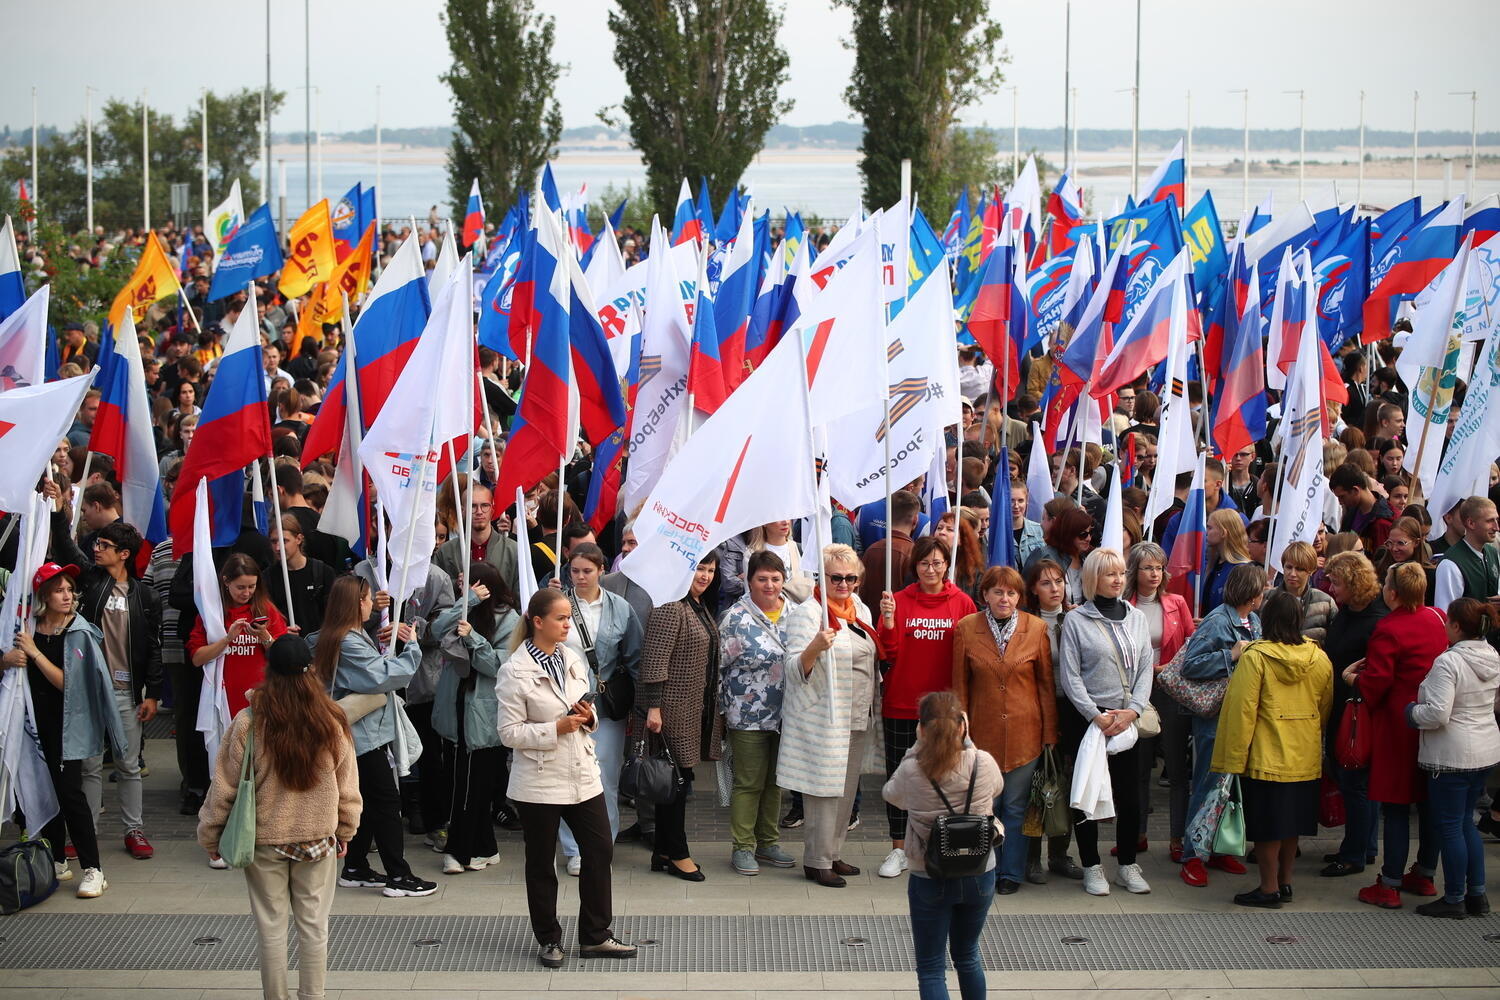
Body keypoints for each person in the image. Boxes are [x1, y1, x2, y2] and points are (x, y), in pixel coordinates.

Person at [197, 636, 361, 1000]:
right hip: (317, 839)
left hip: (265, 840)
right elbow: (347, 786)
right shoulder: (331, 719)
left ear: (268, 670)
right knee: (314, 926)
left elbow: (223, 786)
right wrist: (345, 829)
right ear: (311, 671)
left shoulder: (249, 721)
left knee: (271, 927)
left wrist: (211, 834)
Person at [498, 589, 636, 966]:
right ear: (537, 622)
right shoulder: (514, 670)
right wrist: (554, 729)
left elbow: (586, 706)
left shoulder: (571, 657)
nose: (567, 625)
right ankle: (549, 939)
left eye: (568, 618)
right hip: (539, 781)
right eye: (560, 618)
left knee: (600, 850)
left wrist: (588, 718)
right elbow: (508, 733)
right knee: (542, 862)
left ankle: (595, 936)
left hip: (582, 774)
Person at [1, 563, 126, 897]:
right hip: (32, 727)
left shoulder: (78, 632)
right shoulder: (27, 628)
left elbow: (71, 686)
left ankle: (94, 869)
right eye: (59, 590)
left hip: (66, 728)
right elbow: (10, 667)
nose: (68, 596)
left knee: (71, 795)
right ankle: (56, 859)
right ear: (44, 596)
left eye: (70, 589)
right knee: (42, 792)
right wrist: (7, 660)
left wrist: (34, 653)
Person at [311, 576, 436, 898]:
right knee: (386, 802)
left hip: (353, 732)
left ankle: (356, 867)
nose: (372, 605)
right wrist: (411, 645)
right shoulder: (349, 641)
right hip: (362, 734)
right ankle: (398, 875)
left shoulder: (332, 635)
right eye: (367, 599)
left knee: (364, 800)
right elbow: (383, 676)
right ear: (358, 603)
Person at [49, 519, 164, 862]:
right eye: (96, 544)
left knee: (129, 764)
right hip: (88, 690)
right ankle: (87, 832)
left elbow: (153, 646)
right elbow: (67, 548)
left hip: (127, 692)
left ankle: (134, 829)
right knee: (89, 765)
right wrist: (58, 514)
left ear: (124, 554)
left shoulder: (145, 595)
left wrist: (152, 693)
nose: (96, 550)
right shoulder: (91, 581)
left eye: (104, 545)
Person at [1211, 591, 1334, 908]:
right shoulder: (1319, 657)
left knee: (1267, 827)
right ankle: (1285, 881)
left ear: (1267, 619)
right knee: (1292, 823)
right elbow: (1324, 707)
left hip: (1266, 755)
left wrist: (1231, 759)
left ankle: (1268, 888)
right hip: (1304, 754)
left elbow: (1242, 711)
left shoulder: (1256, 657)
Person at [883, 691, 1003, 1000]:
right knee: (968, 955)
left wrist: (916, 747)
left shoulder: (912, 769)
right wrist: (968, 742)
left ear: (922, 728)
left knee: (931, 967)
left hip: (930, 872)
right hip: (979, 870)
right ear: (962, 725)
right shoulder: (983, 761)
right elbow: (997, 788)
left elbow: (891, 795)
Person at [779, 544, 883, 888]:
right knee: (823, 791)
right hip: (823, 717)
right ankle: (817, 860)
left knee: (846, 789)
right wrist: (814, 648)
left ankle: (833, 852)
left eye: (851, 578)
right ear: (822, 578)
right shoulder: (808, 613)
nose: (844, 584)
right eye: (836, 577)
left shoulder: (860, 609)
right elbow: (792, 669)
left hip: (857, 713)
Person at [875, 537, 977, 879]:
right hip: (902, 703)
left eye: (937, 563)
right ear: (914, 566)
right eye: (923, 563)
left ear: (947, 565)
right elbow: (887, 652)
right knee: (900, 776)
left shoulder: (962, 603)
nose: (930, 569)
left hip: (945, 709)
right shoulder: (898, 600)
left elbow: (969, 654)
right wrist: (889, 621)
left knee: (944, 778)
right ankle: (898, 849)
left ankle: (939, 844)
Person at [950, 565, 1055, 894]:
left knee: (1015, 806)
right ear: (985, 594)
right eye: (998, 592)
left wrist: (1049, 735)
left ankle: (1011, 873)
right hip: (981, 734)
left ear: (1020, 597)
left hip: (1027, 734)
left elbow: (1046, 686)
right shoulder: (967, 628)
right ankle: (985, 870)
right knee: (986, 805)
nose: (1004, 599)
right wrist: (960, 733)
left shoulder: (1036, 628)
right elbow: (959, 687)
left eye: (1011, 593)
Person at [1348, 562, 1447, 909]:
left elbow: (1377, 682)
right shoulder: (1437, 618)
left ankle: (1389, 882)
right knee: (1429, 803)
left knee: (1396, 805)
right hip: (1433, 722)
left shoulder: (1388, 628)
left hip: (1397, 725)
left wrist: (1354, 679)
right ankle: (1425, 873)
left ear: (1392, 592)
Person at [1057, 548, 1154, 895]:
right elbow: (1070, 676)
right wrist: (1094, 715)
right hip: (1089, 720)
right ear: (1093, 578)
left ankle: (1127, 864)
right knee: (1087, 793)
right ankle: (1091, 866)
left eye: (1121, 573)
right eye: (1110, 574)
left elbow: (1145, 667)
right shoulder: (1076, 621)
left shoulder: (1137, 618)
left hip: (1126, 719)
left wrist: (1134, 710)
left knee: (1130, 797)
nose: (1118, 580)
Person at [1407, 599, 1500, 918]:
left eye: (1448, 621)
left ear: (1457, 626)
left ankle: (1455, 897)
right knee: (1465, 824)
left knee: (1450, 826)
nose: (1445, 626)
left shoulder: (1448, 662)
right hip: (1485, 749)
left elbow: (1437, 714)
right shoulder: (1491, 655)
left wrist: (1411, 712)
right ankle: (1477, 895)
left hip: (1451, 755)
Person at [1177, 563, 1265, 887]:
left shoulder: (1254, 620)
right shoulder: (1218, 621)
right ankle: (1192, 855)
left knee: (1230, 787)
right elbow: (1191, 665)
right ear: (1252, 594)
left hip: (1240, 716)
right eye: (1261, 589)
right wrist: (1230, 655)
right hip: (1214, 718)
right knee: (1206, 784)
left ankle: (1217, 847)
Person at [429, 562, 520, 875]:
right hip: (454, 710)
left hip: (483, 714)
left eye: (469, 583)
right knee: (460, 783)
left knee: (472, 787)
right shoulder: (463, 609)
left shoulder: (509, 619)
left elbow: (499, 666)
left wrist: (474, 639)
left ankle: (461, 851)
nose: (462, 587)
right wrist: (465, 602)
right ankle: (484, 847)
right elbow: (436, 631)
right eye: (461, 584)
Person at [557, 543, 642, 874]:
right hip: (562, 702)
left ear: (602, 570)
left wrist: (642, 704)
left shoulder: (620, 608)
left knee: (604, 776)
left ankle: (602, 843)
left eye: (587, 571)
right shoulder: (559, 603)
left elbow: (634, 657)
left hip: (604, 703)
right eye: (575, 571)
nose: (580, 577)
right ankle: (573, 847)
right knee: (568, 775)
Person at [637, 552, 721, 882]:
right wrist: (654, 707)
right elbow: (654, 660)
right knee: (677, 782)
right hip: (670, 709)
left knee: (673, 781)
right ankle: (677, 853)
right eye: (699, 568)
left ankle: (662, 850)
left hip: (690, 708)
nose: (705, 576)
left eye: (710, 570)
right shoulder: (671, 604)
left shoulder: (697, 604)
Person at [717, 550, 797, 876]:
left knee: (776, 782)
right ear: (749, 581)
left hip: (788, 714)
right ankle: (743, 846)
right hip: (746, 714)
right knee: (749, 782)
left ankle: (768, 842)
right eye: (762, 578)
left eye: (775, 578)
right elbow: (719, 667)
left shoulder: (797, 614)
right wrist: (721, 712)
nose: (769, 585)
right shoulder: (735, 618)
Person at [1319, 551, 1389, 877]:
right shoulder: (1349, 612)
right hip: (1343, 708)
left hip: (1358, 713)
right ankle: (1363, 846)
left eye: (1336, 583)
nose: (1332, 589)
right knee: (1356, 784)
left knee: (1355, 784)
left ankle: (1354, 854)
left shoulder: (1375, 621)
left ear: (1353, 583)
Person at [1126, 542, 1194, 863]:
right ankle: (1137, 834)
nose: (1155, 574)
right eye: (1148, 568)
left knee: (1177, 768)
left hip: (1170, 689)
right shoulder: (1125, 606)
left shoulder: (1176, 603)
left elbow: (1191, 645)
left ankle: (1177, 837)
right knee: (1138, 769)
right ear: (1135, 571)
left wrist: (1170, 666)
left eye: (1159, 568)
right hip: (1136, 692)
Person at [188, 554, 288, 717]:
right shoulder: (212, 614)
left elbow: (284, 656)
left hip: (262, 697)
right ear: (226, 582)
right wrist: (227, 639)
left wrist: (264, 636)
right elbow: (197, 659)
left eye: (252, 586)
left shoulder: (265, 609)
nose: (247, 593)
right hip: (224, 700)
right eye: (241, 587)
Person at [267, 514, 336, 635]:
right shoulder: (267, 577)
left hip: (319, 643)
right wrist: (281, 632)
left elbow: (335, 614)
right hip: (286, 643)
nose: (278, 548)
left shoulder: (323, 572)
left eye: (284, 541)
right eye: (273, 541)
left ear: (298, 539)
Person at [1433, 496, 1498, 610]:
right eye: (1489, 521)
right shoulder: (1450, 564)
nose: (1496, 527)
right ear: (1471, 523)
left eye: (1496, 520)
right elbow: (1446, 612)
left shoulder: (1493, 553)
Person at [1271, 541, 1336, 643]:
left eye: (1299, 569)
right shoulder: (1267, 599)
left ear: (1311, 570)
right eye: (1289, 567)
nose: (1292, 573)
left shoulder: (1326, 602)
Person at [1201, 509, 1253, 613]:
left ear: (1223, 533)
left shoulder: (1242, 570)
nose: (1206, 532)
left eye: (1210, 528)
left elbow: (1238, 612)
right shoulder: (1215, 563)